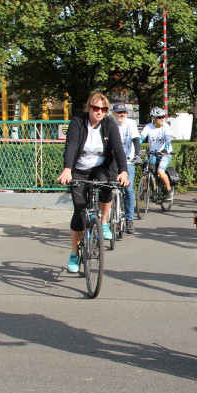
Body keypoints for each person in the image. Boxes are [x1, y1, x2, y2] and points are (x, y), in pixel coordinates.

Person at [57, 93, 130, 273]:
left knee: (107, 185)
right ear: (89, 108)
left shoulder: (109, 123)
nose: (99, 112)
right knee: (80, 212)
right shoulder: (77, 122)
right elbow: (71, 145)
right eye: (95, 108)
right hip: (79, 170)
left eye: (103, 109)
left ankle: (103, 222)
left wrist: (123, 171)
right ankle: (75, 253)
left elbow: (117, 147)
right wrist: (67, 169)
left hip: (100, 167)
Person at [112, 102, 140, 235]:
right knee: (109, 188)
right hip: (113, 162)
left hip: (128, 161)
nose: (121, 114)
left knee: (128, 189)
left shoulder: (131, 124)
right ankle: (108, 218)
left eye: (124, 112)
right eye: (119, 112)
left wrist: (138, 154)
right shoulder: (110, 123)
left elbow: (135, 139)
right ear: (114, 113)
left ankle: (129, 219)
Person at [140, 107, 175, 199]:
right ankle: (146, 190)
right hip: (153, 153)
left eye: (163, 117)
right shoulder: (148, 127)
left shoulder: (166, 126)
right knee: (145, 169)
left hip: (165, 153)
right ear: (154, 118)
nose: (162, 119)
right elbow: (141, 137)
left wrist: (165, 149)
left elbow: (168, 139)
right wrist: (135, 147)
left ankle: (168, 190)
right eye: (160, 117)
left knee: (160, 171)